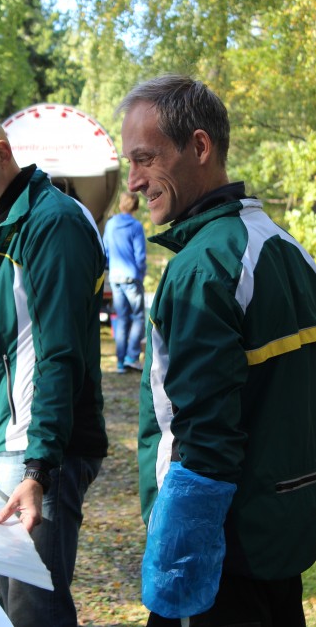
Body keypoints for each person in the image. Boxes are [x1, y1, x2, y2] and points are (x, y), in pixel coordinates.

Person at [118, 73, 316, 626]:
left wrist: (181, 566)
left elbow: (203, 441)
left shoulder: (203, 268)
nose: (134, 181)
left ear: (200, 146)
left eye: (145, 158)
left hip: (218, 564)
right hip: (279, 543)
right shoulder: (290, 249)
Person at [0, 109, 108, 627]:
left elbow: (60, 352)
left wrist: (39, 470)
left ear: (2, 153)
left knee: (34, 612)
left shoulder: (54, 222)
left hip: (34, 453)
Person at [103, 191, 147, 373]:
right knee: (138, 317)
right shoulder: (136, 226)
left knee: (122, 319)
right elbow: (140, 256)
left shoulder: (110, 224)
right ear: (136, 206)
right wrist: (141, 276)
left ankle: (120, 363)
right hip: (132, 277)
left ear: (121, 204)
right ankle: (132, 357)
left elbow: (105, 251)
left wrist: (110, 268)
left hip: (115, 277)